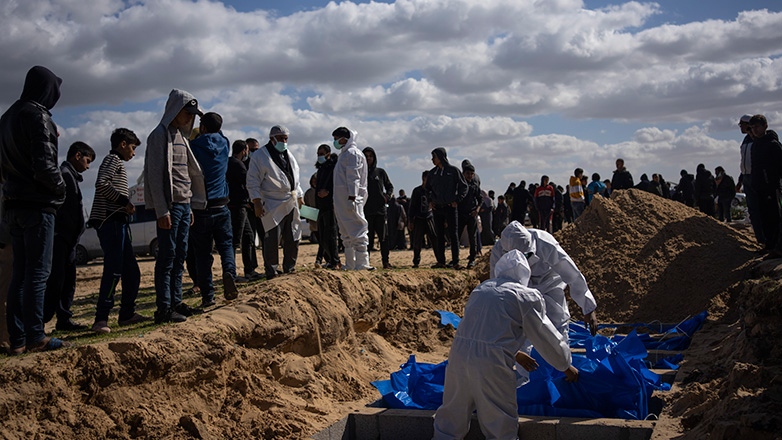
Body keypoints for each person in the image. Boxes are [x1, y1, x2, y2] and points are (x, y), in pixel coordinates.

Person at [433, 250, 578, 440]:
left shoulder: (482, 289)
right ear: (525, 273)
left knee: (451, 418)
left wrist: (516, 353)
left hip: (459, 357)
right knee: (499, 423)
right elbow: (546, 337)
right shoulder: (525, 296)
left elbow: (483, 332)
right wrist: (565, 365)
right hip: (491, 364)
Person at [0, 66, 70, 353]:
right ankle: (35, 336)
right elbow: (45, 165)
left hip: (12, 205)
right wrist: (61, 188)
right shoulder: (38, 116)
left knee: (20, 273)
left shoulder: (6, 118)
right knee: (38, 273)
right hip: (37, 206)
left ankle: (17, 339)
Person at [145, 89, 206, 324]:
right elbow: (153, 175)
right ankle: (163, 308)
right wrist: (161, 210)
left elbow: (186, 175)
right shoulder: (159, 135)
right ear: (174, 110)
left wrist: (189, 204)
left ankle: (176, 301)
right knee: (167, 257)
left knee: (180, 255)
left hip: (183, 205)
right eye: (187, 113)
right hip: (169, 208)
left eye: (193, 114)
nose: (190, 118)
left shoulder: (182, 137)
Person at [491, 221, 599, 351]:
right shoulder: (498, 251)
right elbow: (497, 284)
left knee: (557, 322)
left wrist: (588, 307)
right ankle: (527, 369)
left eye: (526, 256)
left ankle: (561, 363)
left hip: (549, 283)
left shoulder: (545, 242)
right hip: (519, 287)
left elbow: (571, 274)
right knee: (524, 328)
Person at [89, 128, 149, 333]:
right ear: (122, 144)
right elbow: (101, 184)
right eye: (132, 148)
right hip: (111, 223)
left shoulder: (117, 163)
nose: (133, 153)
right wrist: (124, 201)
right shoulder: (112, 160)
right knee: (113, 271)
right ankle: (101, 319)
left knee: (132, 272)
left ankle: (127, 314)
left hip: (119, 224)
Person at [189, 112, 241, 307]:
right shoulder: (224, 143)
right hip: (222, 205)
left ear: (202, 128)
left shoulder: (192, 147)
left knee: (202, 254)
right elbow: (219, 130)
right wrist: (207, 118)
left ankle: (207, 296)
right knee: (226, 245)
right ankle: (229, 272)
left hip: (201, 206)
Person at [44, 142, 95, 331]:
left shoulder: (70, 175)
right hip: (62, 238)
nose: (88, 166)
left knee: (67, 281)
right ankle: (42, 320)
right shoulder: (65, 175)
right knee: (57, 281)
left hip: (69, 239)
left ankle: (63, 318)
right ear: (77, 155)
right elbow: (65, 210)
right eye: (87, 161)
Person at [247, 125, 304, 279]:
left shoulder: (288, 155)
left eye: (286, 138)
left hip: (290, 201)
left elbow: (295, 180)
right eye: (280, 138)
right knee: (272, 239)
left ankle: (289, 268)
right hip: (271, 202)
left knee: (293, 236)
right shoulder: (260, 156)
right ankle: (271, 271)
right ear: (272, 138)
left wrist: (299, 196)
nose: (284, 141)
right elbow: (252, 181)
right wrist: (256, 202)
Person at [332, 127, 373, 271]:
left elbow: (353, 177)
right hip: (342, 200)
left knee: (358, 229)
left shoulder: (353, 154)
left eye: (337, 138)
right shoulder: (344, 154)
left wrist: (352, 197)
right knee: (346, 233)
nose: (335, 142)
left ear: (344, 138)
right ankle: (351, 265)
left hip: (351, 199)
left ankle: (362, 264)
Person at [426, 148, 468, 269]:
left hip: (450, 207)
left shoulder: (453, 171)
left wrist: (457, 200)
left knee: (453, 235)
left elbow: (463, 187)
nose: (432, 159)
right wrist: (430, 201)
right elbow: (427, 189)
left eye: (434, 157)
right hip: (437, 208)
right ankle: (441, 262)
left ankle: (455, 262)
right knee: (439, 235)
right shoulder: (432, 173)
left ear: (441, 157)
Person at [227, 139, 261, 280]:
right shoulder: (237, 165)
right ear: (244, 151)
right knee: (235, 240)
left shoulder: (230, 162)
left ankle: (249, 270)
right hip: (238, 206)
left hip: (241, 205)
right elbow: (248, 183)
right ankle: (231, 274)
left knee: (248, 237)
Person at [749, 115, 782, 256]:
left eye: (757, 127)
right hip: (759, 187)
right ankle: (769, 245)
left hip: (771, 187)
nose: (755, 130)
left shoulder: (772, 144)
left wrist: (773, 182)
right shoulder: (756, 145)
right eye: (752, 128)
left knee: (774, 217)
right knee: (764, 218)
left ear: (765, 126)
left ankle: (776, 247)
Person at [362, 147, 394, 268]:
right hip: (366, 211)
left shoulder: (380, 172)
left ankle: (385, 262)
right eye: (366, 156)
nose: (368, 158)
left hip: (380, 211)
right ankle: (366, 263)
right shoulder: (360, 173)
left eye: (370, 156)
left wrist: (387, 197)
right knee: (367, 239)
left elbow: (390, 186)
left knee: (383, 238)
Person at [736, 114, 765, 245]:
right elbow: (744, 162)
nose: (741, 127)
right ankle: (760, 239)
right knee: (752, 210)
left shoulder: (757, 139)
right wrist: (740, 179)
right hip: (747, 176)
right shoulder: (746, 140)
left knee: (761, 208)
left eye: (742, 124)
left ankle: (766, 239)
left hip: (757, 177)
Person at [315, 144, 341, 269]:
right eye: (318, 154)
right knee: (322, 237)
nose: (320, 156)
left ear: (328, 154)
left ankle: (335, 261)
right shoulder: (320, 170)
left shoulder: (334, 168)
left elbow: (337, 185)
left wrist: (328, 192)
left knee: (331, 235)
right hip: (321, 207)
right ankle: (330, 260)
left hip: (331, 205)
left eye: (322, 153)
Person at [409, 171, 437, 268]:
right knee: (417, 242)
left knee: (434, 239)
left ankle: (440, 260)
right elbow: (412, 207)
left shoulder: (433, 191)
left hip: (430, 218)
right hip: (419, 219)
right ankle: (416, 261)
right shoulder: (417, 191)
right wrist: (411, 221)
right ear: (423, 179)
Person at [458, 160, 482, 268]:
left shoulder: (475, 185)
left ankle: (472, 259)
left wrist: (477, 210)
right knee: (456, 237)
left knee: (472, 238)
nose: (470, 176)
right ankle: (455, 259)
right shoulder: (459, 184)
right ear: (463, 174)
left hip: (472, 214)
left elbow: (480, 199)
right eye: (468, 174)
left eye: (472, 174)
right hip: (460, 214)